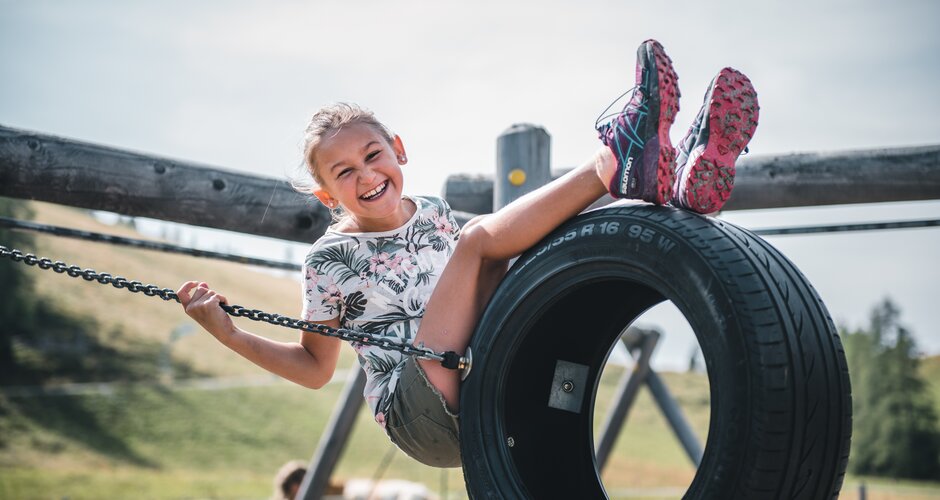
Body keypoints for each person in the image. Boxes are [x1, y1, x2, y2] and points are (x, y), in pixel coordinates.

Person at [177, 39, 759, 469]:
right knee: (480, 239)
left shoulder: (430, 211)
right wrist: (229, 334)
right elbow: (314, 369)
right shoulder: (329, 260)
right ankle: (614, 163)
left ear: (399, 151)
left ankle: (666, 178)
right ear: (329, 194)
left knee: (510, 252)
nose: (367, 175)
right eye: (345, 172)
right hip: (422, 413)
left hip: (479, 375)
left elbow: (487, 275)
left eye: (374, 155)